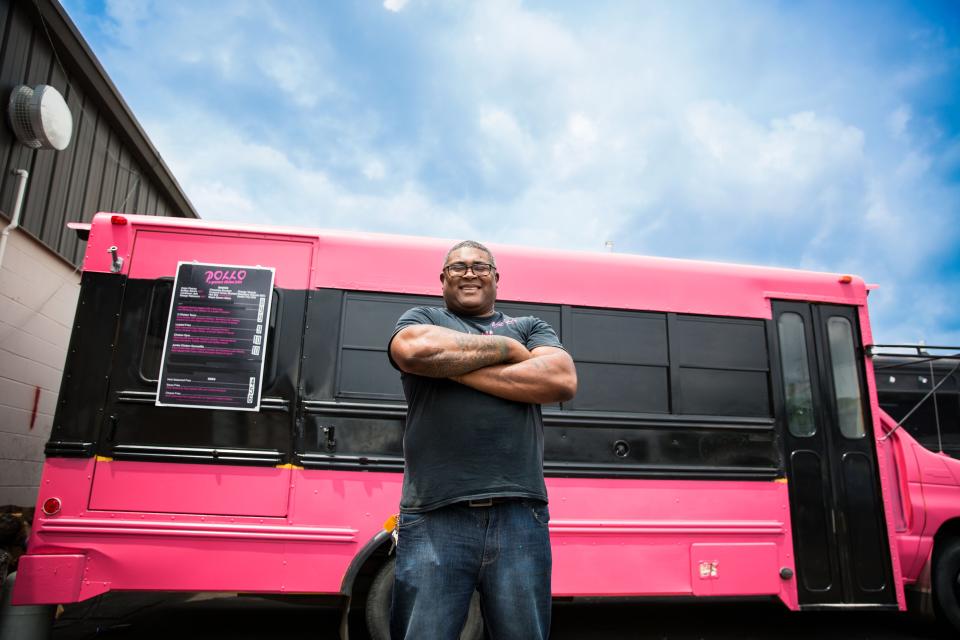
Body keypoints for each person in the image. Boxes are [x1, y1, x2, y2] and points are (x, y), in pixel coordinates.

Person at [387, 240, 577, 640]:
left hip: (519, 515)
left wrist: (446, 367)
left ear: (496, 277)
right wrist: (508, 351)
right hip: (435, 513)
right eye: (457, 267)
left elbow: (560, 380)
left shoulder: (529, 326)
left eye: (479, 266)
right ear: (442, 280)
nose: (469, 273)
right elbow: (413, 350)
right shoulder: (423, 317)